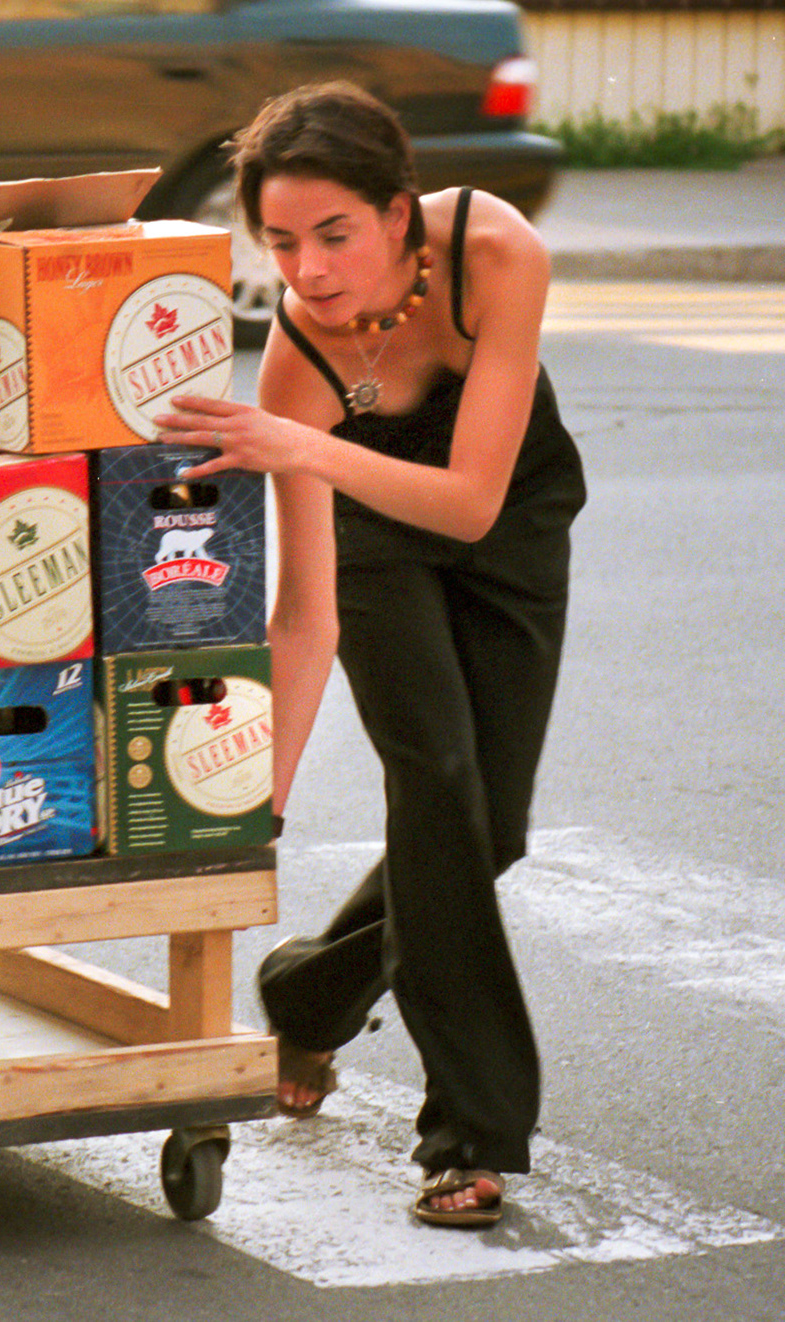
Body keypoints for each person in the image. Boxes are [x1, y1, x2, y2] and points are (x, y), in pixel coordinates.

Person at [153, 82, 586, 1228]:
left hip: (506, 517)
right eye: (281, 241)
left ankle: (311, 988)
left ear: (402, 215)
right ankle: (471, 1133)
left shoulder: (497, 251)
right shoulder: (297, 363)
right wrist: (262, 797)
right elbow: (305, 616)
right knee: (437, 786)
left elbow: (474, 502)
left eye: (335, 233)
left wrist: (301, 443)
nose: (309, 270)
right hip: (375, 539)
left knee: (491, 828)